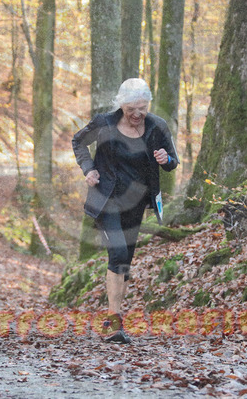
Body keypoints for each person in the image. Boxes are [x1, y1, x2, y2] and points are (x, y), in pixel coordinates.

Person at [72, 78, 179, 344]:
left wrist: (166, 159)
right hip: (106, 199)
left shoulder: (157, 126)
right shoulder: (105, 122)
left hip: (137, 202)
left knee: (125, 261)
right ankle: (113, 321)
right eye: (132, 109)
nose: (137, 114)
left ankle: (116, 316)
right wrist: (88, 169)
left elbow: (172, 161)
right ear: (121, 105)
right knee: (118, 252)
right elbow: (78, 142)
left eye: (142, 108)